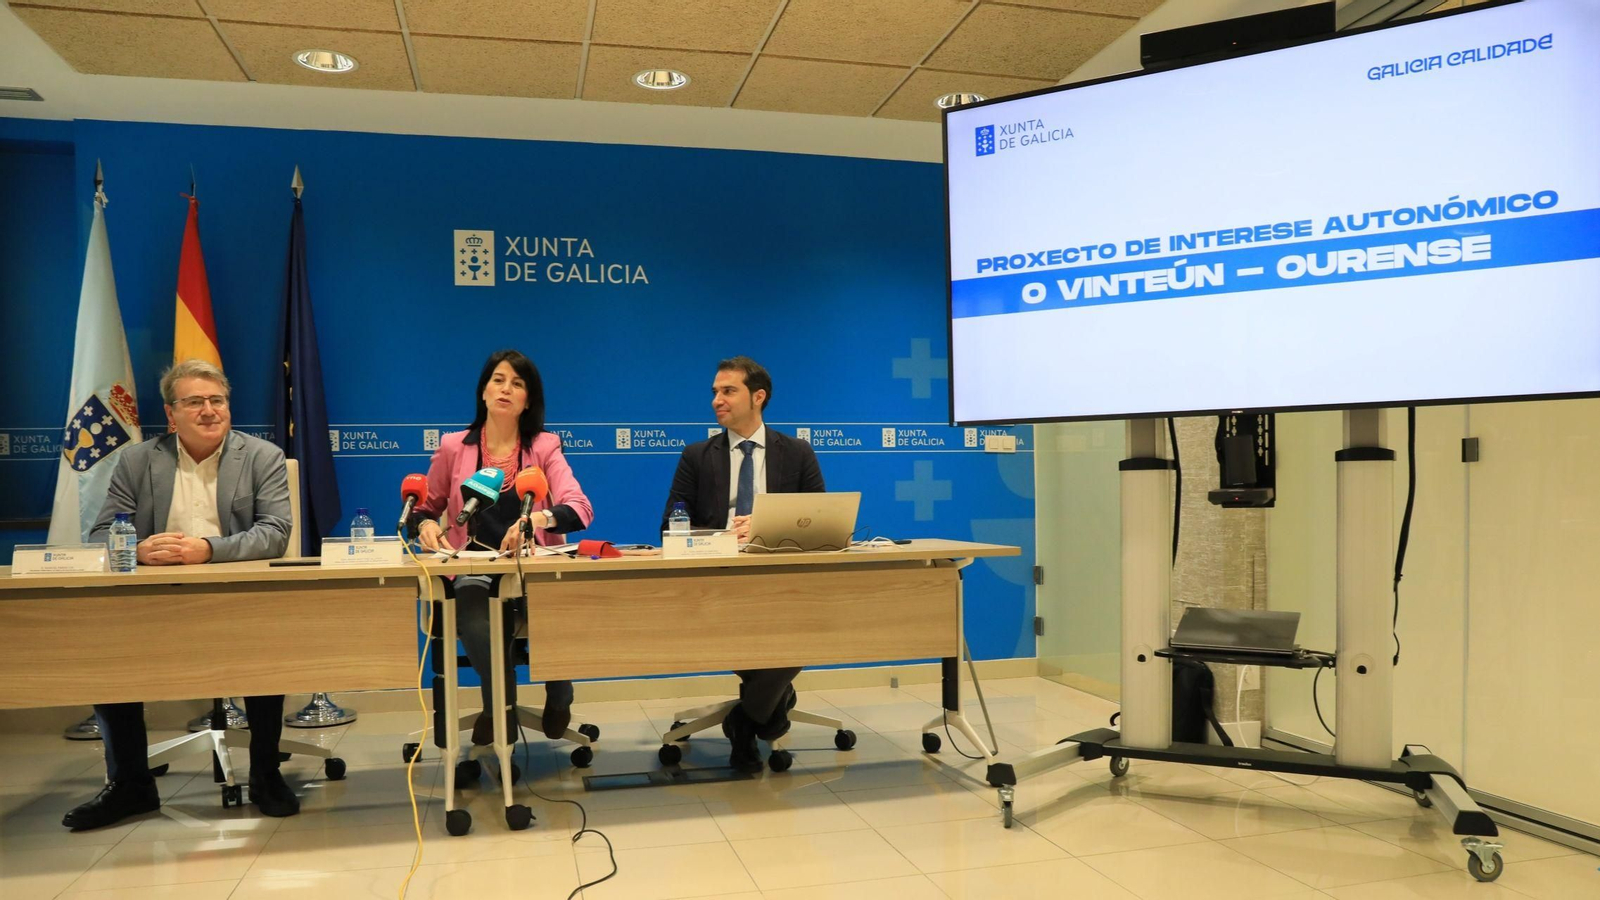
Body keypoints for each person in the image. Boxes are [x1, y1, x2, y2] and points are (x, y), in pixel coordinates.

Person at [64, 359, 298, 831]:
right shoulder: (137, 459)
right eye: (194, 402)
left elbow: (274, 533)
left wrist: (207, 550)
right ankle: (131, 783)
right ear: (172, 415)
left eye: (218, 401)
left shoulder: (261, 456)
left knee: (263, 645)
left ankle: (265, 773)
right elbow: (101, 533)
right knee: (109, 649)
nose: (209, 410)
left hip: (237, 590)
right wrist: (139, 548)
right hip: (155, 596)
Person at [409, 350, 592, 745]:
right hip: (473, 569)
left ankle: (560, 694)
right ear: (484, 391)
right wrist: (423, 523)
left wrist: (537, 519)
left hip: (531, 570)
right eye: (498, 379)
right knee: (474, 616)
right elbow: (423, 508)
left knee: (556, 609)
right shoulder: (454, 447)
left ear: (528, 399)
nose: (506, 389)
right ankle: (498, 707)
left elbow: (579, 508)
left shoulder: (544, 447)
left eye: (518, 383)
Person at [660, 356, 825, 771]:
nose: (717, 399)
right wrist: (724, 536)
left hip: (783, 582)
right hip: (721, 582)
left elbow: (820, 525)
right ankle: (770, 710)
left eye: (728, 391)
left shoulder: (797, 453)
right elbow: (671, 527)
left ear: (758, 397)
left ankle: (744, 721)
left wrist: (767, 526)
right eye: (715, 391)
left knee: (802, 633)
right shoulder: (698, 455)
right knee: (761, 639)